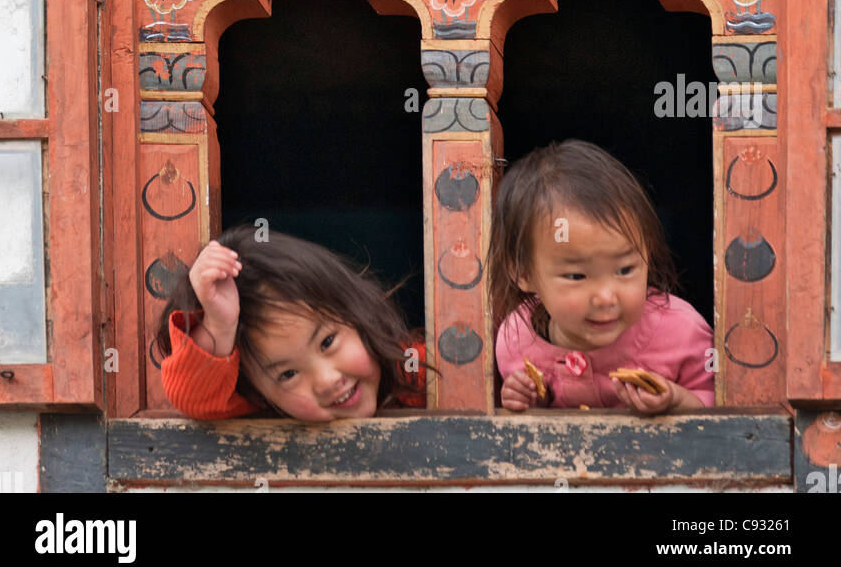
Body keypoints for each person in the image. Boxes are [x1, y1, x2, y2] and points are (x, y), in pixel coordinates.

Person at [488, 139, 715, 413]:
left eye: (625, 270)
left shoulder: (683, 334)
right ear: (523, 273)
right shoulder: (516, 341)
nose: (606, 297)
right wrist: (530, 400)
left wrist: (676, 400)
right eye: (576, 276)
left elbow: (726, 413)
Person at [156, 226, 427, 420]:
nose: (327, 380)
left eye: (327, 342)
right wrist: (219, 327)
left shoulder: (414, 368)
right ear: (261, 396)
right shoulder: (262, 408)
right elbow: (196, 399)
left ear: (355, 314)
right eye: (287, 374)